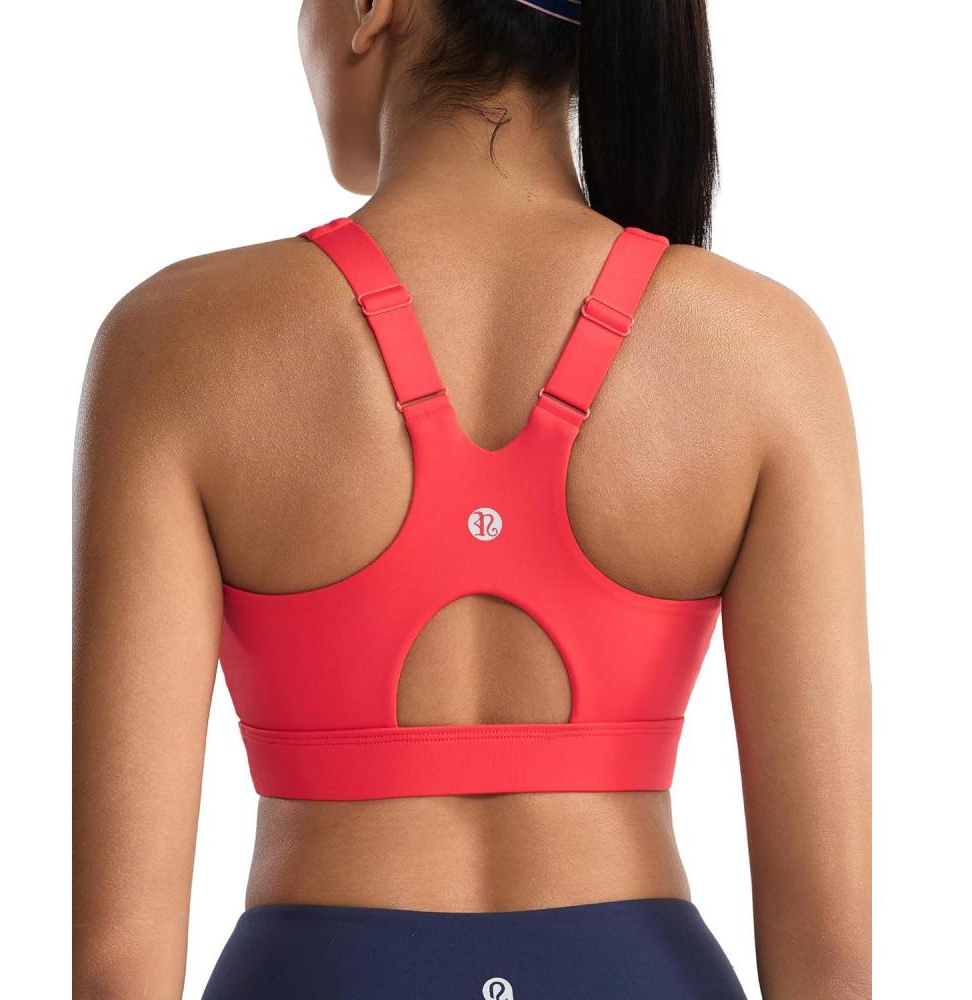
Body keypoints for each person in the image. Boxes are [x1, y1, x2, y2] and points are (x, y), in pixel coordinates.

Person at [72, 1, 872, 997]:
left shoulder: (176, 341)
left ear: (375, 8)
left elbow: (119, 958)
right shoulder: (763, 348)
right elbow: (829, 956)